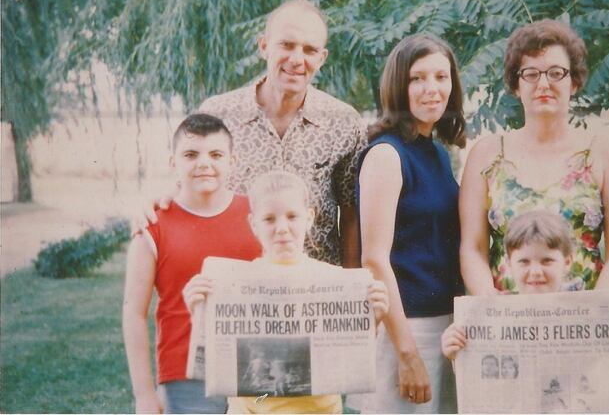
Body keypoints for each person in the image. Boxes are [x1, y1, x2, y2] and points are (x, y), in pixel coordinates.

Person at [137, 0, 367, 269]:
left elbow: (351, 215)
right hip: (237, 282)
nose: (296, 59)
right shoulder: (218, 115)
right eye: (287, 45)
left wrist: (351, 283)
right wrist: (156, 204)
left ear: (322, 58)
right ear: (264, 46)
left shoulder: (344, 122)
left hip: (314, 286)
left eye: (309, 50)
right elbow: (188, 189)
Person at [182, 171, 389, 414]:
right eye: (269, 219)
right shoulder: (234, 283)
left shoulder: (331, 279)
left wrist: (372, 319)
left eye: (292, 216)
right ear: (254, 224)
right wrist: (200, 310)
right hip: (253, 409)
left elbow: (351, 358)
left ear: (309, 218)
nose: (282, 228)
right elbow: (219, 357)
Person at [459, 19, 609, 294]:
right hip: (505, 316)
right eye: (531, 74)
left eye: (556, 73)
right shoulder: (486, 155)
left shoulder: (604, 154)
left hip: (583, 316)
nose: (543, 83)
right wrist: (491, 306)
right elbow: (473, 249)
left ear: (574, 82)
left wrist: (597, 307)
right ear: (516, 85)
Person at [355, 34, 466, 413]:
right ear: (398, 86)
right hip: (405, 330)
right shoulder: (387, 155)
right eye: (417, 78)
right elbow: (373, 260)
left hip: (446, 324)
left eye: (441, 77)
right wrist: (407, 352)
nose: (432, 88)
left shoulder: (436, 152)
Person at [122, 114, 263, 413]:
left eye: (216, 155)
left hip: (256, 366)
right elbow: (133, 313)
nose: (204, 163)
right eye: (190, 155)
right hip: (185, 376)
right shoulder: (152, 226)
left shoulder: (259, 215)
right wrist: (144, 394)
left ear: (232, 162)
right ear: (173, 163)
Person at [442, 210, 609, 364]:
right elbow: (475, 367)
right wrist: (454, 349)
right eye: (524, 262)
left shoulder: (588, 314)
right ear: (509, 264)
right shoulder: (492, 314)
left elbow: (603, 368)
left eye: (547, 261)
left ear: (567, 262)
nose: (535, 271)